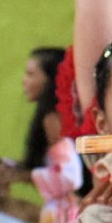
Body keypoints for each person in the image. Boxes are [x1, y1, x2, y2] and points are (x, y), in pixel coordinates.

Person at [21, 45, 66, 174]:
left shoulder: (53, 119)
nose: (24, 80)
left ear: (50, 79)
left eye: (30, 74)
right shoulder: (53, 115)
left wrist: (23, 176)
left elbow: (67, 175)